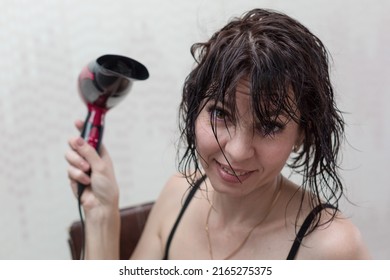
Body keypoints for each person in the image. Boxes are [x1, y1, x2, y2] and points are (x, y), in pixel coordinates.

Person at [65, 8, 370, 260]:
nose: (237, 151)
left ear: (302, 134)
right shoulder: (177, 196)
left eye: (269, 126)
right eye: (221, 114)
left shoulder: (332, 247)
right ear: (196, 108)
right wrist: (101, 214)